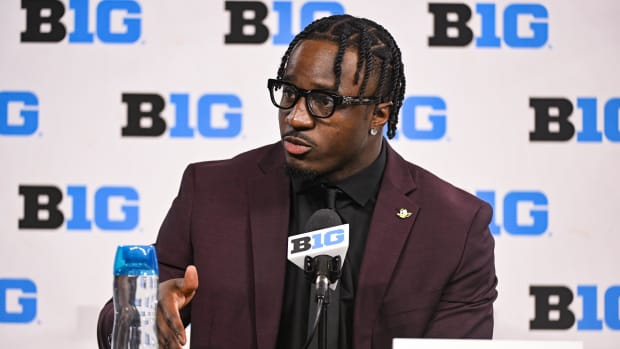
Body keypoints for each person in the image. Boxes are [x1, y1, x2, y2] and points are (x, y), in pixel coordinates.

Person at [97, 14, 497, 349]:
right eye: (289, 93)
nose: (296, 117)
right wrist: (145, 311)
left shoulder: (454, 226)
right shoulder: (214, 192)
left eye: (324, 102)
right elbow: (117, 318)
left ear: (379, 114)